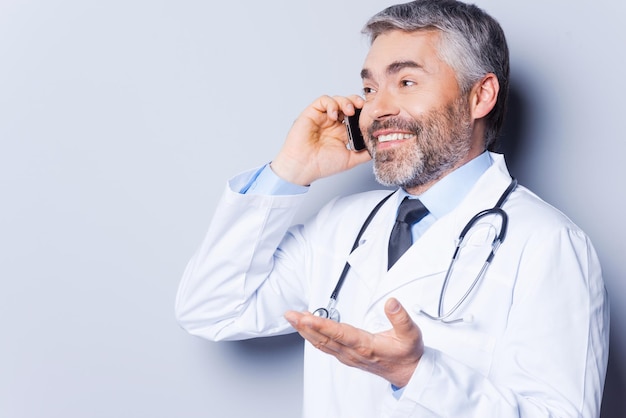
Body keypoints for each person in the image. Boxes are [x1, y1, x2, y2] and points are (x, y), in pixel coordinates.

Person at [175, 0, 609, 416]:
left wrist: (414, 375)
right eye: (369, 87)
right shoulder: (342, 223)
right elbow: (212, 308)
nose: (376, 109)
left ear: (480, 97)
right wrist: (289, 171)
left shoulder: (548, 244)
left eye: (406, 82)